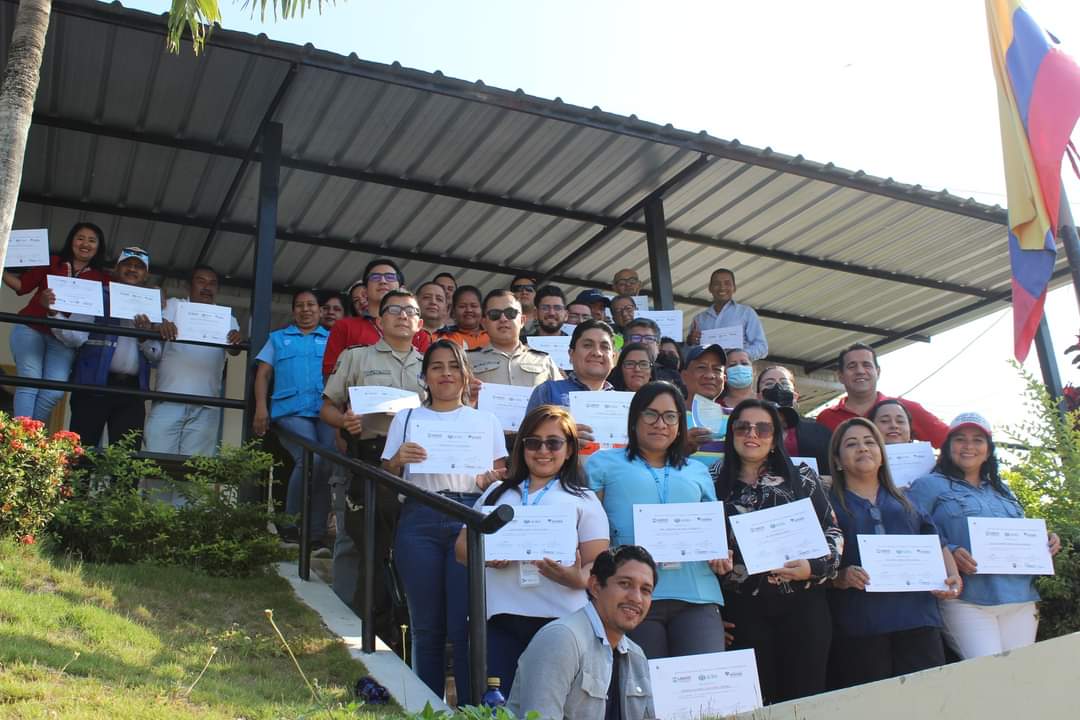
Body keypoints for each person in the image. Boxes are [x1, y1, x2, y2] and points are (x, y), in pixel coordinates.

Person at [380, 339, 507, 704]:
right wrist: (397, 460)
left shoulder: (486, 420)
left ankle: (468, 708)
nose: (446, 373)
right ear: (425, 376)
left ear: (466, 375)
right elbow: (386, 475)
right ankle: (428, 707)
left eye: (454, 366)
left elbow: (500, 476)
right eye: (437, 367)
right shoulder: (406, 418)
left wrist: (490, 479)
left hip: (468, 516)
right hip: (419, 516)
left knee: (465, 626)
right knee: (426, 628)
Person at [455, 405, 609, 694]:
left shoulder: (584, 498)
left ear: (569, 449)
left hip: (562, 621)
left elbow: (598, 565)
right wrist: (487, 558)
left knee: (551, 704)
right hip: (498, 618)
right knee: (495, 705)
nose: (543, 451)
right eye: (533, 442)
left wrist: (576, 578)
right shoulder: (496, 492)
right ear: (522, 447)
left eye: (553, 443)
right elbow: (462, 548)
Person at [712, 399, 843, 704]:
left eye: (763, 428)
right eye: (742, 427)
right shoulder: (711, 478)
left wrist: (813, 567)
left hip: (803, 606)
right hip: (742, 610)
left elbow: (833, 532)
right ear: (731, 434)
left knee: (805, 701)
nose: (751, 434)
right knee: (758, 702)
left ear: (774, 438)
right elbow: (701, 542)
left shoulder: (801, 476)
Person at [587, 382, 731, 659]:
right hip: (631, 596)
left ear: (680, 424)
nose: (660, 424)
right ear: (635, 419)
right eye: (651, 414)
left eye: (670, 416)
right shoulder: (602, 463)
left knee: (701, 683)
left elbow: (713, 534)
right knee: (643, 682)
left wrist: (721, 554)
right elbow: (590, 529)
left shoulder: (697, 471)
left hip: (697, 594)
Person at [907, 413, 1061, 660]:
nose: (968, 446)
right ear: (947, 447)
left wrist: (1047, 540)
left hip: (1020, 598)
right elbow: (909, 531)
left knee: (1019, 674)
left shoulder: (1004, 491)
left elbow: (1021, 535)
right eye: (960, 439)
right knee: (988, 674)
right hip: (966, 600)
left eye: (978, 440)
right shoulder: (927, 485)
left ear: (988, 451)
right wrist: (950, 551)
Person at [320, 289, 425, 638]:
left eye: (410, 311)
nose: (403, 316)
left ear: (420, 323)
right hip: (369, 459)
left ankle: (402, 625)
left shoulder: (432, 364)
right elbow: (327, 407)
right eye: (394, 310)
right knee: (368, 544)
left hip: (417, 463)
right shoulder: (357, 357)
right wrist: (343, 421)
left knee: (408, 543)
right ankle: (365, 623)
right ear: (379, 320)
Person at [826, 418, 961, 689]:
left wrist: (953, 576)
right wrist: (840, 577)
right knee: (874, 704)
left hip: (918, 619)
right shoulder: (829, 507)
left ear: (882, 454)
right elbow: (819, 564)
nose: (863, 448)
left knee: (927, 699)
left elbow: (936, 542)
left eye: (870, 442)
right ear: (837, 461)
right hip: (861, 625)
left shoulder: (908, 500)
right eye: (851, 444)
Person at [507, 545, 657, 720]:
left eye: (645, 590)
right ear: (595, 586)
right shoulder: (562, 639)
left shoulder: (637, 656)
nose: (636, 598)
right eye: (625, 584)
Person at [52, 247, 160, 447]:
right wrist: (53, 314)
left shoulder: (152, 305)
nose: (132, 269)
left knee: (126, 457)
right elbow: (74, 336)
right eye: (127, 264)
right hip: (93, 385)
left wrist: (144, 336)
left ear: (146, 275)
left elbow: (156, 357)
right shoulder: (97, 295)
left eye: (138, 267)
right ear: (116, 269)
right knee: (83, 452)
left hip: (131, 390)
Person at [252, 289, 334, 552]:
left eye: (311, 305)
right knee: (311, 458)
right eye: (300, 305)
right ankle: (289, 525)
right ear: (293, 311)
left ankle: (316, 535)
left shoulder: (332, 339)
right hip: (289, 411)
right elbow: (263, 375)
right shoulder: (277, 338)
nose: (305, 309)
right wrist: (261, 408)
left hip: (324, 411)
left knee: (325, 466)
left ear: (320, 310)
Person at [2, 222, 109, 422]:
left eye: (92, 240)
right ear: (71, 241)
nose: (85, 244)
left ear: (98, 247)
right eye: (80, 238)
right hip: (30, 328)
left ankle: (31, 435)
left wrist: (157, 295)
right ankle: (22, 435)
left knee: (54, 391)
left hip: (63, 338)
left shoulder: (101, 278)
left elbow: (124, 294)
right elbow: (22, 285)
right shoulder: (52, 262)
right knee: (30, 380)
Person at [143, 265, 242, 456]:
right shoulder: (172, 306)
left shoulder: (227, 318)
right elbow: (151, 325)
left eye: (212, 283)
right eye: (201, 281)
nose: (207, 287)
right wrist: (160, 324)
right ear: (189, 286)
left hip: (206, 404)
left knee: (195, 468)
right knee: (158, 463)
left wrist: (236, 339)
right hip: (169, 399)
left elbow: (235, 351)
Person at [817, 343, 949, 448]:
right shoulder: (826, 418)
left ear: (878, 372)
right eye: (852, 366)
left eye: (867, 365)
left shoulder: (905, 408)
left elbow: (951, 442)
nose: (860, 371)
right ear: (840, 376)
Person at [322, 259, 429, 378]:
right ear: (365, 291)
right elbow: (330, 375)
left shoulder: (419, 334)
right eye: (375, 277)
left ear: (402, 288)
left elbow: (428, 377)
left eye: (390, 277)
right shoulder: (344, 326)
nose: (383, 281)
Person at [468, 290, 561, 392]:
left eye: (510, 313)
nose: (503, 319)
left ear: (522, 321)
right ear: (484, 323)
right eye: (494, 314)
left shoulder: (544, 360)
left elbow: (562, 397)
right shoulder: (466, 360)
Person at [526, 319, 616, 413]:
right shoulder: (547, 391)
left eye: (605, 347)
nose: (597, 353)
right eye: (588, 345)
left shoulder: (622, 401)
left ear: (613, 358)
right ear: (571, 354)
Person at [756, 365, 832, 475]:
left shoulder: (819, 432)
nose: (777, 387)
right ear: (758, 397)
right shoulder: (749, 430)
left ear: (795, 396)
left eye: (785, 384)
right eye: (769, 383)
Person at [686, 269, 768, 360]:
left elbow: (762, 347)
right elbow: (690, 355)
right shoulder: (699, 319)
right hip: (709, 368)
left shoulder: (746, 313)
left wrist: (741, 355)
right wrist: (690, 343)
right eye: (717, 283)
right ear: (710, 288)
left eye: (727, 283)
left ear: (734, 288)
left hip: (736, 367)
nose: (722, 287)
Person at [681, 344, 728, 465]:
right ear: (684, 377)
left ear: (724, 379)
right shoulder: (668, 416)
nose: (710, 375)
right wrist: (679, 446)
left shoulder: (736, 418)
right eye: (701, 368)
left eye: (717, 370)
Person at [623, 318, 683, 393]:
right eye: (636, 338)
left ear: (658, 346)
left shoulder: (672, 376)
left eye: (649, 338)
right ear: (625, 343)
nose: (643, 342)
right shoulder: (613, 374)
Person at [437, 285, 489, 349]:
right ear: (453, 311)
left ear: (482, 309)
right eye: (462, 306)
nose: (469, 310)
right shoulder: (445, 339)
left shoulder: (493, 335)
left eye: (474, 306)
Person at [416, 281, 449, 346]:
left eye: (439, 299)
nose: (433, 302)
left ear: (446, 308)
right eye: (427, 297)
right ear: (415, 302)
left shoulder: (456, 336)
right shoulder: (406, 333)